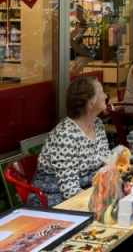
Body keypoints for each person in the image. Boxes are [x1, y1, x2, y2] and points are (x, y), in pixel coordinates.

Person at [28, 77, 110, 207]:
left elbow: (107, 161)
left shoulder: (97, 124)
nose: (105, 96)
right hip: (55, 197)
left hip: (89, 188)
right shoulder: (65, 135)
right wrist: (102, 201)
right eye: (101, 93)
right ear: (90, 104)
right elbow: (70, 190)